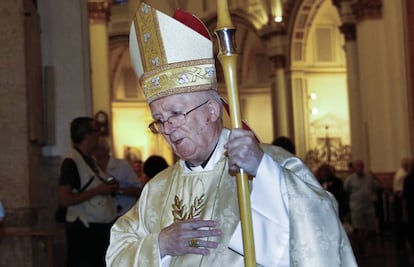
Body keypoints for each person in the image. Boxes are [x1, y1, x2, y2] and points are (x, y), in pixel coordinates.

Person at [106, 3, 357, 266]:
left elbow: (320, 222)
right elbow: (118, 249)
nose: (167, 129)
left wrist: (264, 171)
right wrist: (159, 244)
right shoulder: (157, 190)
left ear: (212, 110)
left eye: (177, 114)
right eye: (159, 121)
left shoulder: (267, 164)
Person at [58, 117, 119, 267]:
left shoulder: (89, 159)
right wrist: (98, 190)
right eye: (96, 131)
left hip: (98, 230)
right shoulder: (71, 161)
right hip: (84, 233)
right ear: (87, 134)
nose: (99, 135)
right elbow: (65, 199)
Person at [92, 137, 143, 216]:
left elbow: (138, 190)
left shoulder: (122, 165)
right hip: (102, 215)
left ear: (105, 150)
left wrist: (118, 190)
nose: (94, 152)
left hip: (124, 214)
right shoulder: (92, 168)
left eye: (96, 148)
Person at [344, 159, 378, 259]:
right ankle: (362, 250)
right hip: (356, 207)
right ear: (354, 168)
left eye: (361, 166)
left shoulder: (369, 178)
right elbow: (346, 191)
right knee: (360, 229)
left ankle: (369, 249)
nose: (360, 168)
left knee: (370, 229)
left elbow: (376, 187)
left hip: (368, 207)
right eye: (357, 166)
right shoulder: (350, 179)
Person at [392, 157, 410, 251]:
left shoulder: (400, 172)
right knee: (401, 223)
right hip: (400, 200)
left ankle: (400, 243)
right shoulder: (403, 175)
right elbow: (402, 191)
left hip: (398, 199)